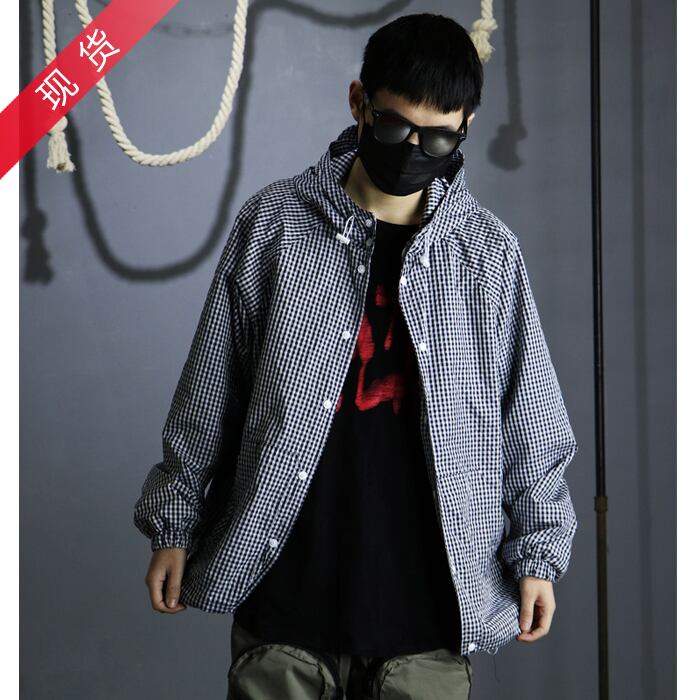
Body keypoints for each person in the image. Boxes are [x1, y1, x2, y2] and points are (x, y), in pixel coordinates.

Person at [134, 12, 579, 700]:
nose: (415, 150)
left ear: (466, 127)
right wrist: (174, 523)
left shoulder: (488, 255)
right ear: (359, 104)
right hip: (286, 593)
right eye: (397, 127)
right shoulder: (274, 225)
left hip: (429, 607)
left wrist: (537, 554)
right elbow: (210, 392)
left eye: (439, 137)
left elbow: (532, 420)